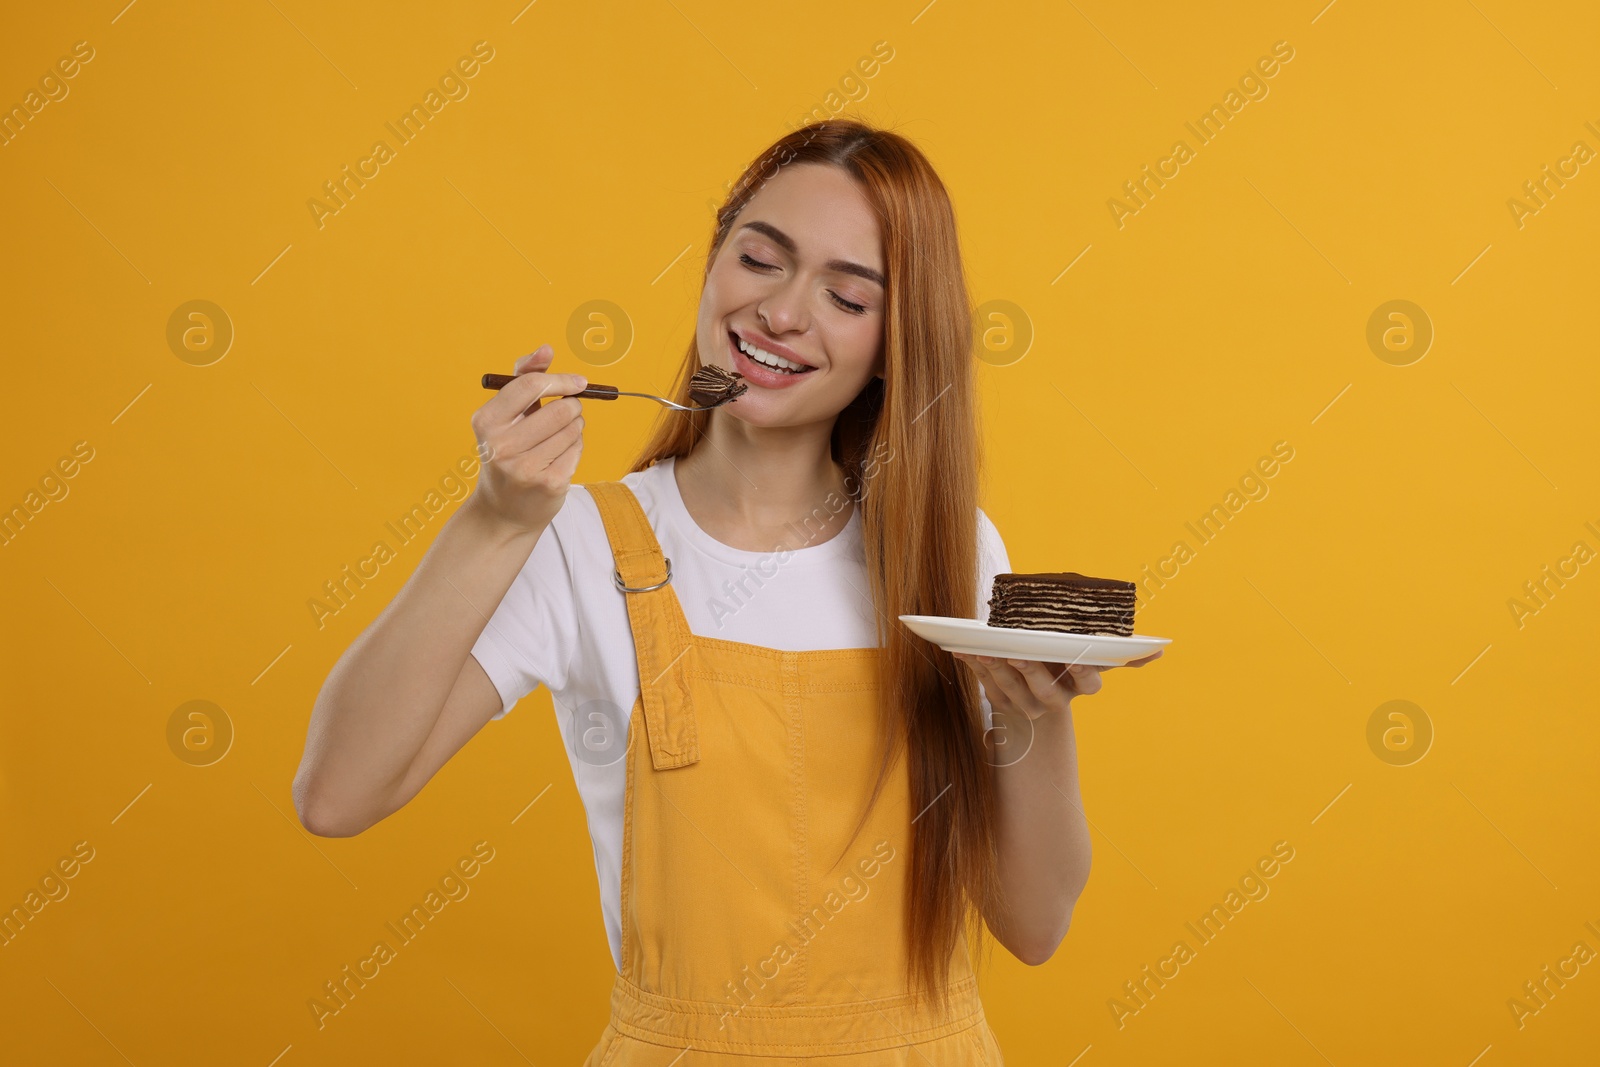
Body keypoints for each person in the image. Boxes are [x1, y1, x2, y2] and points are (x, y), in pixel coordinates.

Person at [293, 118, 1159, 1062]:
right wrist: (493, 522)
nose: (784, 313)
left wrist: (1037, 712)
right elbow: (338, 794)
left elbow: (1033, 924)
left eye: (847, 294)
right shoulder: (584, 543)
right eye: (760, 258)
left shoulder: (949, 552)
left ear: (897, 339)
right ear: (713, 265)